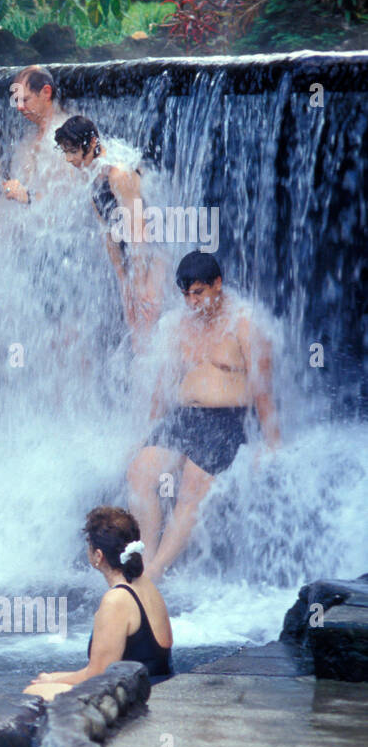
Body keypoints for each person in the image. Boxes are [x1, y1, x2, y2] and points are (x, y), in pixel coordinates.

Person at [127, 252, 280, 580]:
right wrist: (147, 432)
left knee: (192, 484)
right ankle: (145, 558)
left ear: (218, 284)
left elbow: (263, 389)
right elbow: (162, 388)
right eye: (186, 295)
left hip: (226, 419)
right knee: (139, 473)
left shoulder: (244, 323)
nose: (192, 301)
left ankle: (154, 573)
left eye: (198, 292)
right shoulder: (177, 325)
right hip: (183, 417)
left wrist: (272, 445)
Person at [25, 506, 173, 701]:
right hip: (153, 685)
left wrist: (51, 683)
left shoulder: (117, 600)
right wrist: (54, 678)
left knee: (33, 693)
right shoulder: (144, 583)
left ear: (98, 556)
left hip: (136, 696)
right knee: (47, 680)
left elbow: (97, 676)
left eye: (89, 546)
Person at [55, 115, 166, 353]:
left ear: (93, 142)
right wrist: (122, 279)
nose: (69, 159)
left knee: (147, 331)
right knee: (136, 334)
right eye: (66, 152)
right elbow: (107, 230)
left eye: (73, 151)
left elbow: (140, 231)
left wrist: (139, 282)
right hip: (132, 257)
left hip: (154, 255)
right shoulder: (92, 174)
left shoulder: (118, 173)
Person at [1, 66, 69, 205]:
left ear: (46, 92)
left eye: (25, 100)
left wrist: (28, 197)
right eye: (17, 101)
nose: (19, 107)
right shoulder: (29, 136)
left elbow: (69, 200)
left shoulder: (69, 135)